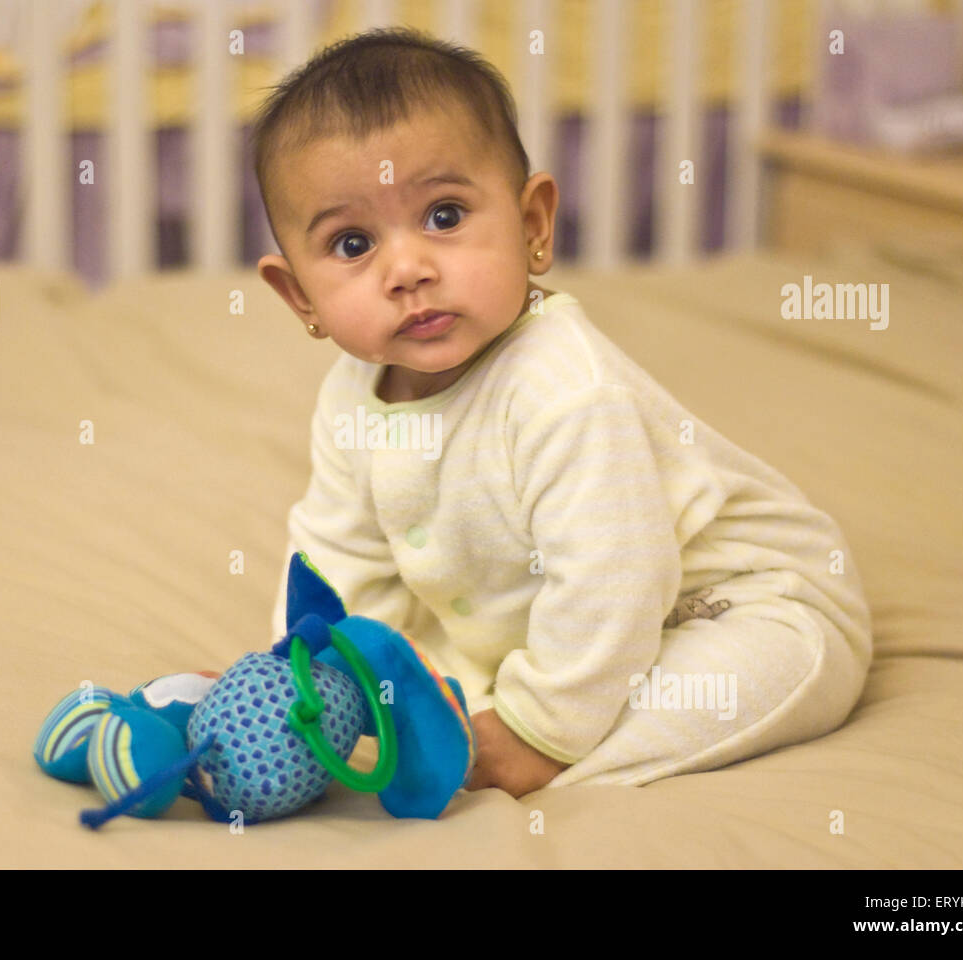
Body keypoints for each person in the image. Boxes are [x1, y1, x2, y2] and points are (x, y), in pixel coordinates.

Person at [248, 27, 873, 799]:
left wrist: (539, 727)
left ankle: (510, 759)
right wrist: (311, 685)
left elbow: (616, 575)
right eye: (351, 243)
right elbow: (335, 557)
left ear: (534, 225)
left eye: (444, 216)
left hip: (742, 604)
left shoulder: (563, 387)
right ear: (300, 297)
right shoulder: (350, 396)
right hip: (562, 628)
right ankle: (489, 727)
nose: (408, 269)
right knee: (442, 669)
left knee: (726, 682)